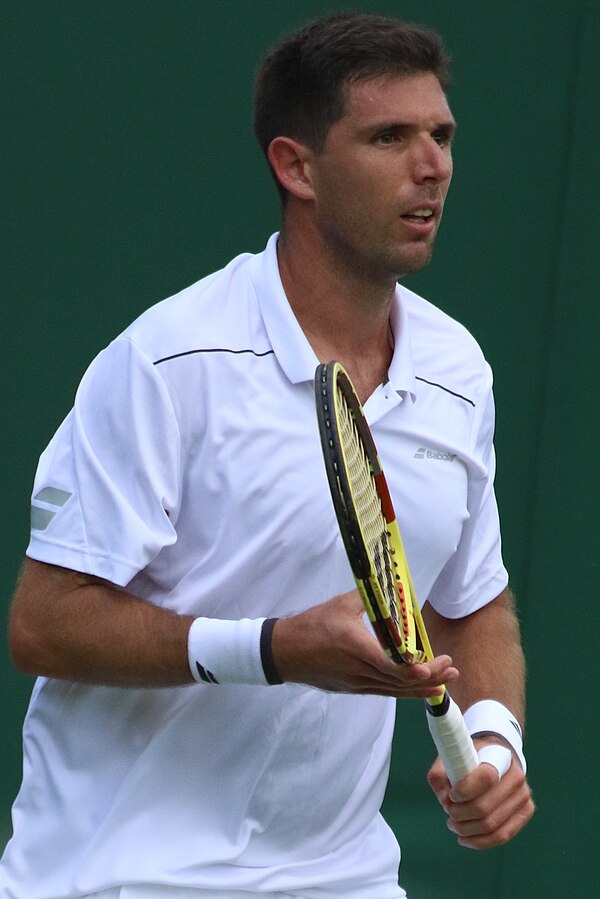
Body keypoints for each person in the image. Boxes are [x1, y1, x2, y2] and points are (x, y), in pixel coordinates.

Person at [1, 12, 534, 899]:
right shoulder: (168, 362)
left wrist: (493, 739)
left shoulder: (459, 370)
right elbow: (44, 623)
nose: (432, 164)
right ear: (297, 167)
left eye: (441, 134)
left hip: (341, 876)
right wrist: (272, 648)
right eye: (388, 136)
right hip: (126, 875)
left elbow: (475, 604)